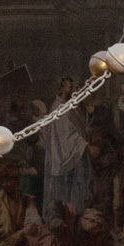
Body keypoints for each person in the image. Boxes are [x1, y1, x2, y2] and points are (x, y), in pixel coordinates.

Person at [40, 81, 88, 226]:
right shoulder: (58, 107)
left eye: (74, 87)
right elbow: (65, 136)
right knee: (60, 196)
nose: (73, 89)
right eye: (70, 87)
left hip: (68, 157)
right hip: (61, 159)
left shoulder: (68, 105)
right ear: (61, 88)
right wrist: (84, 145)